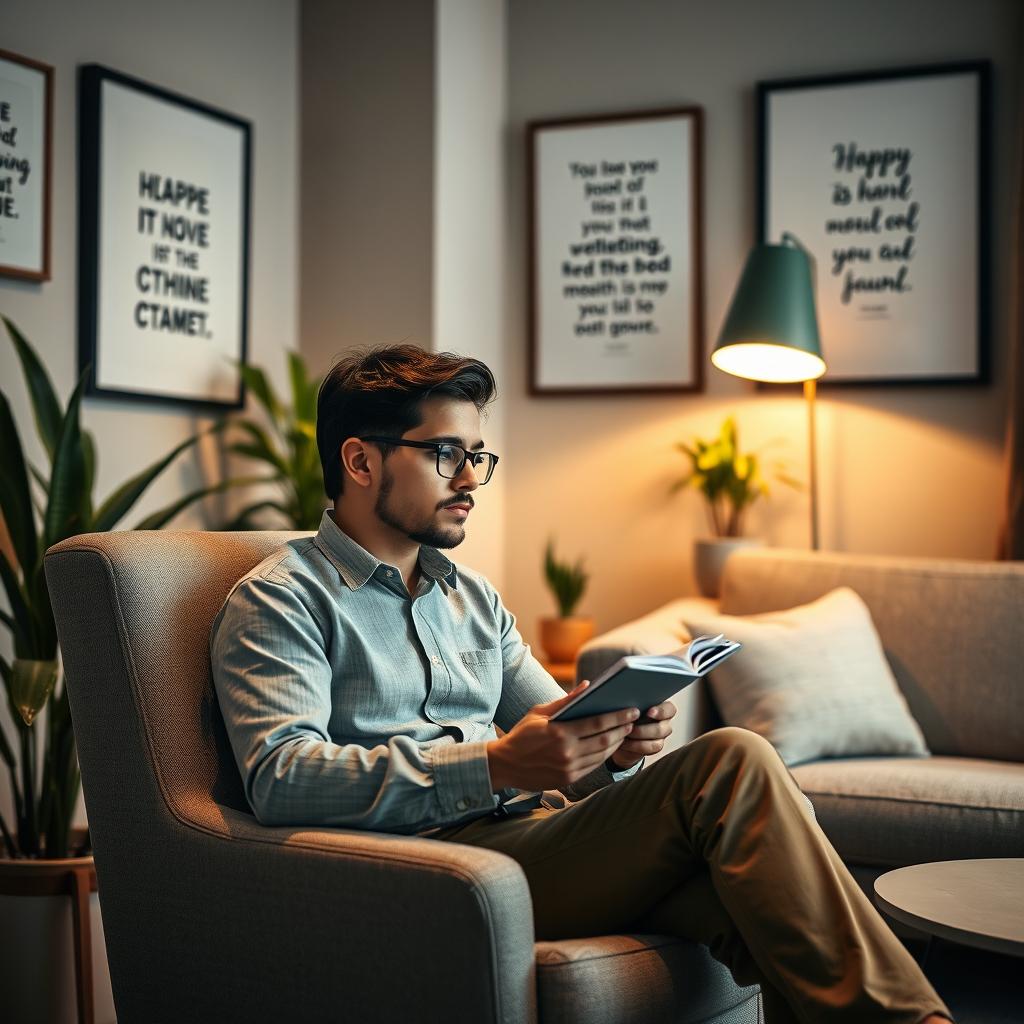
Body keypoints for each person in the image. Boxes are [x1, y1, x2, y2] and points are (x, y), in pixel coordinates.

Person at [210, 344, 951, 1024]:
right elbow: (282, 777)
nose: (470, 479)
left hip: (533, 839)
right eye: (444, 454)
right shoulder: (282, 599)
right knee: (733, 758)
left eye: (477, 455)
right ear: (360, 462)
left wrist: (620, 742)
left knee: (763, 907)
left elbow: (558, 732)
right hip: (431, 871)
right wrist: (495, 765)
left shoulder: (471, 598)